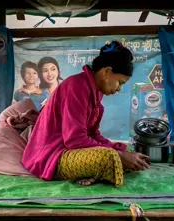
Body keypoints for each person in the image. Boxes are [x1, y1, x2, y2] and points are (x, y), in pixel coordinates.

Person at [22, 41, 150, 187]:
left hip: (71, 151)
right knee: (110, 157)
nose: (119, 88)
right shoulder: (76, 87)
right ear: (107, 72)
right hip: (51, 156)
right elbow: (75, 140)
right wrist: (119, 155)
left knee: (125, 152)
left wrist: (121, 151)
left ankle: (95, 173)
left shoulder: (96, 92)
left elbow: (93, 135)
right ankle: (97, 172)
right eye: (120, 82)